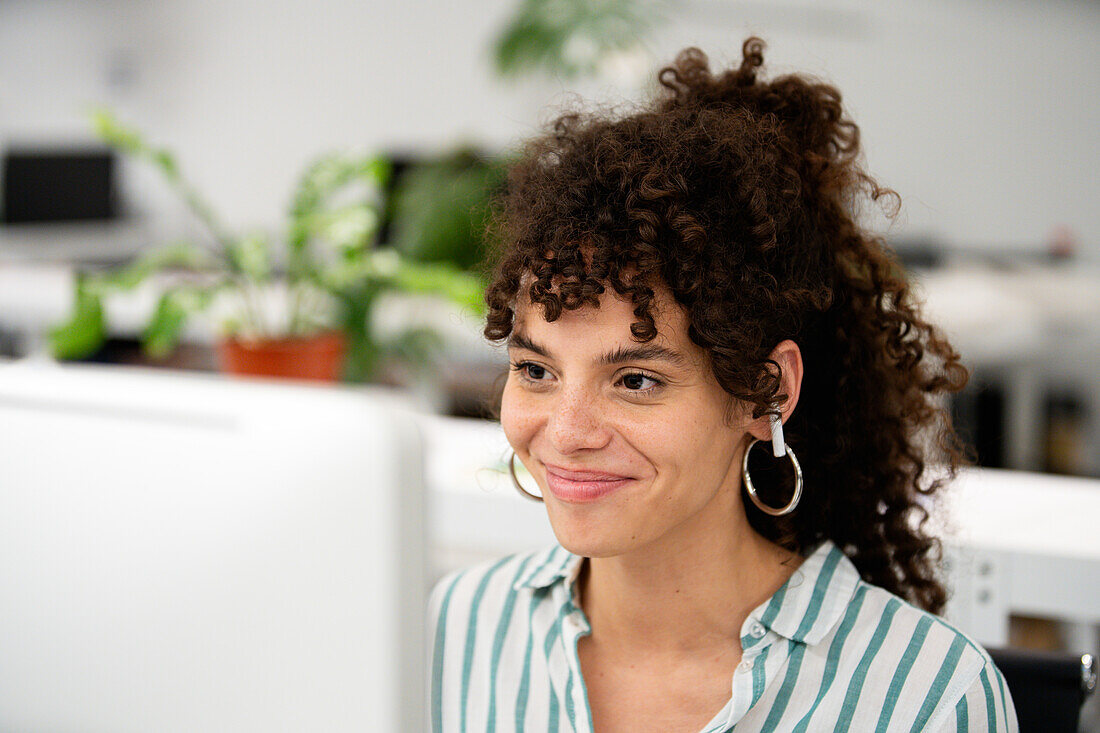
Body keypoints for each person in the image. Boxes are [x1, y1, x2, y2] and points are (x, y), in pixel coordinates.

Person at [429, 37, 1018, 732]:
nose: (565, 432)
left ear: (766, 391)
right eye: (537, 370)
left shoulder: (926, 697)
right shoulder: (452, 633)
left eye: (636, 379)